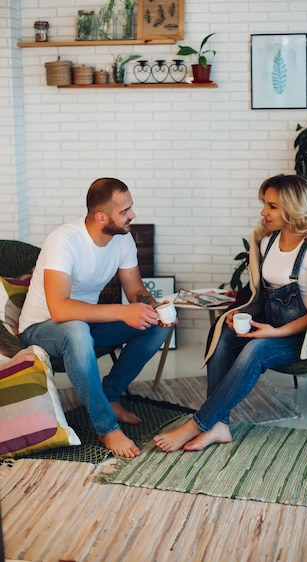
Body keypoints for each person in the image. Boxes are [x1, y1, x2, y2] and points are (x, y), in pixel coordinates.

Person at [153, 174, 307, 452]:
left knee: (256, 349)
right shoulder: (268, 242)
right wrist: (244, 315)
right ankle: (220, 425)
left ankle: (200, 423)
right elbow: (261, 295)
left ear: (293, 207)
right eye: (264, 204)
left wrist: (274, 332)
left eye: (272, 206)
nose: (263, 212)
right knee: (224, 333)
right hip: (273, 327)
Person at [19, 178, 176, 459]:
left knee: (155, 327)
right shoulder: (63, 240)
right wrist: (121, 311)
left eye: (131, 208)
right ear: (101, 216)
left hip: (85, 325)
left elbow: (136, 290)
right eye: (125, 211)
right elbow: (60, 310)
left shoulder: (123, 239)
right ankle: (106, 427)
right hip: (41, 330)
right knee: (77, 329)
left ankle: (111, 395)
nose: (132, 215)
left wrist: (155, 308)